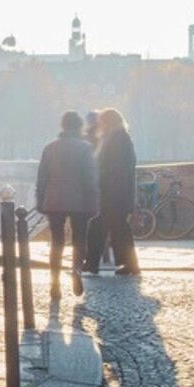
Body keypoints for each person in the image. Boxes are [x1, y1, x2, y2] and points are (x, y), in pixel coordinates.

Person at [35, 111, 98, 298]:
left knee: (57, 241)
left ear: (62, 126)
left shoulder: (50, 148)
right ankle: (76, 270)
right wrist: (93, 201)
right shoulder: (85, 148)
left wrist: (41, 200)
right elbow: (90, 178)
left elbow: (42, 178)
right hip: (79, 200)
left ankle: (54, 281)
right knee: (79, 239)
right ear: (79, 127)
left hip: (54, 200)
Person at [93, 107, 140, 276]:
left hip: (114, 193)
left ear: (108, 122)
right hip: (116, 192)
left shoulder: (118, 139)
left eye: (102, 122)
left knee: (116, 228)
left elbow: (116, 168)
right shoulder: (118, 137)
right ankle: (128, 264)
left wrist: (101, 179)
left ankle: (129, 264)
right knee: (118, 228)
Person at [82, 110, 106, 271]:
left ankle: (89, 259)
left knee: (92, 224)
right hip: (102, 186)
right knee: (99, 224)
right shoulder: (104, 138)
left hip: (91, 186)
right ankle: (95, 259)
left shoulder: (86, 139)